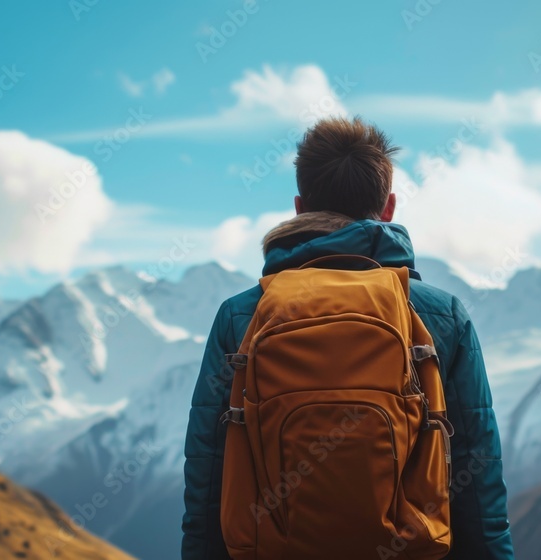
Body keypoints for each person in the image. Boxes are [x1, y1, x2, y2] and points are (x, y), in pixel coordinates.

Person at [182, 116, 515, 559]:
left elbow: (209, 478)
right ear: (389, 207)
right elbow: (477, 480)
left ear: (300, 208)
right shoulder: (440, 315)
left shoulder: (242, 317)